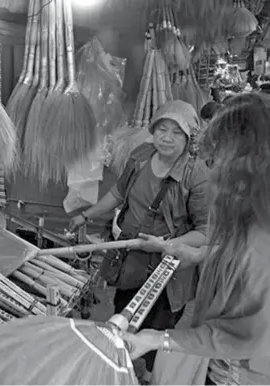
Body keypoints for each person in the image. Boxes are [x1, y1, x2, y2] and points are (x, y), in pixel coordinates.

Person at [123, 93, 270, 385]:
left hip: (259, 372)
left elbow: (248, 333)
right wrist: (201, 255)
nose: (216, 170)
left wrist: (158, 339)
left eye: (221, 158)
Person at [69, 100, 211, 381]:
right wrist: (85, 216)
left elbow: (205, 232)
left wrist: (165, 246)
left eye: (176, 132)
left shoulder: (197, 175)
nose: (166, 138)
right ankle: (124, 375)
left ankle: (143, 377)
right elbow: (118, 194)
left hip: (168, 274)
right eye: (161, 129)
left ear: (189, 137)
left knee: (151, 340)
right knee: (121, 326)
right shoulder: (141, 156)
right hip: (131, 265)